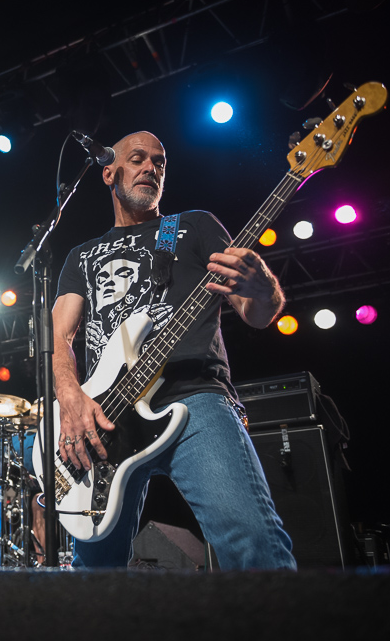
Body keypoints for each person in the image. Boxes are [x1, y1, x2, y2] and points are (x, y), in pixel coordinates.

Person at [50, 131, 296, 569]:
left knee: (252, 541)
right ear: (109, 172)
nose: (151, 167)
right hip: (108, 419)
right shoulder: (81, 256)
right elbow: (59, 337)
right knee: (94, 575)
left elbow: (254, 312)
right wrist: (70, 397)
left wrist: (264, 290)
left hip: (194, 397)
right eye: (138, 158)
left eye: (159, 162)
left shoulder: (194, 226)